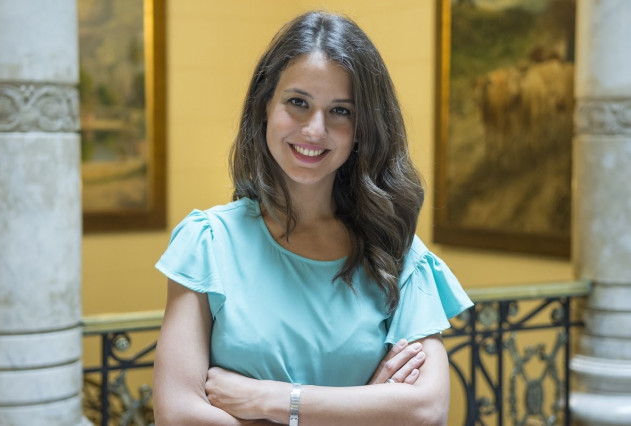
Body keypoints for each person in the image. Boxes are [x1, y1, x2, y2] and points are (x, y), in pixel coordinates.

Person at [153, 10, 473, 426]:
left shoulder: (397, 253)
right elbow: (177, 416)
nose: (314, 130)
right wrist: (363, 407)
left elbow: (427, 412)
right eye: (298, 102)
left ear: (363, 128)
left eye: (341, 111)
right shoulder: (207, 243)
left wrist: (271, 400)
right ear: (265, 105)